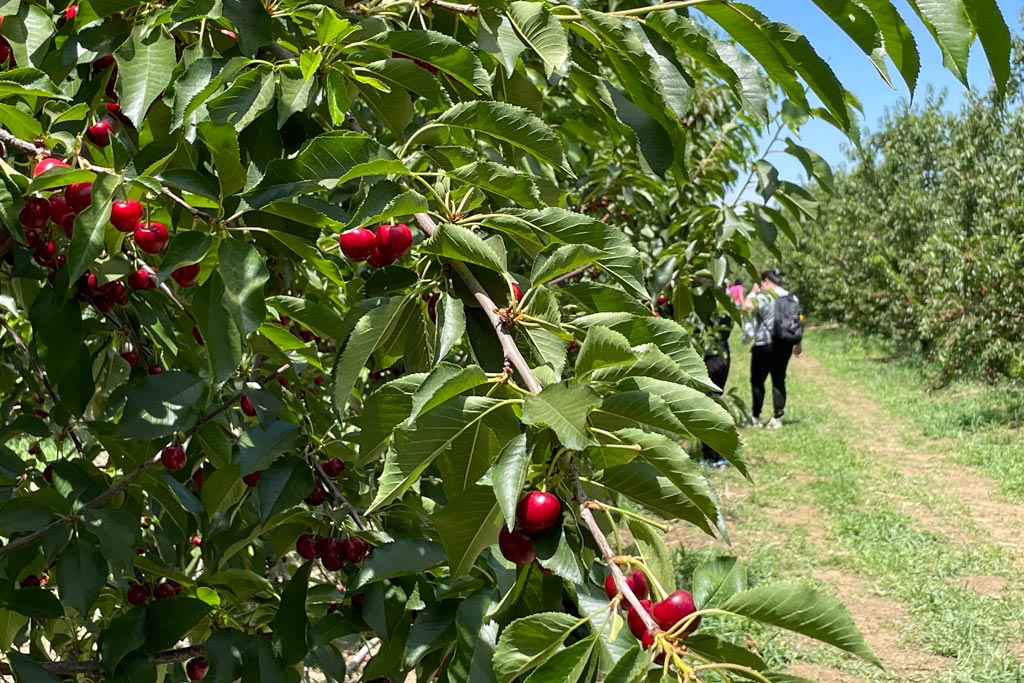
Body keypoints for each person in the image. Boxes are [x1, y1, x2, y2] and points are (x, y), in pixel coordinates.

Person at [743, 269, 802, 428]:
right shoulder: (792, 297)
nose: (761, 286)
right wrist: (798, 344)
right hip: (784, 345)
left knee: (757, 381)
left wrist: (753, 292)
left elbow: (746, 307)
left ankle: (755, 417)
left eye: (761, 283)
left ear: (766, 281)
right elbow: (796, 322)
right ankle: (777, 418)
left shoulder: (764, 297)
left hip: (764, 344)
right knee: (778, 380)